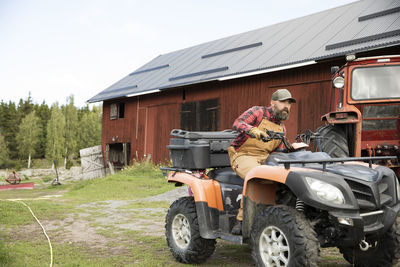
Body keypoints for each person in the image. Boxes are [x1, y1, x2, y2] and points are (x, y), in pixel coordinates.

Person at [227, 88, 296, 235]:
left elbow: (279, 151)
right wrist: (253, 131)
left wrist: (293, 149)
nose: (286, 106)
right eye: (282, 102)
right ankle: (241, 221)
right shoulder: (258, 112)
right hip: (243, 154)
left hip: (264, 158)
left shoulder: (281, 128)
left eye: (289, 103)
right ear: (272, 103)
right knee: (255, 175)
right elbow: (237, 123)